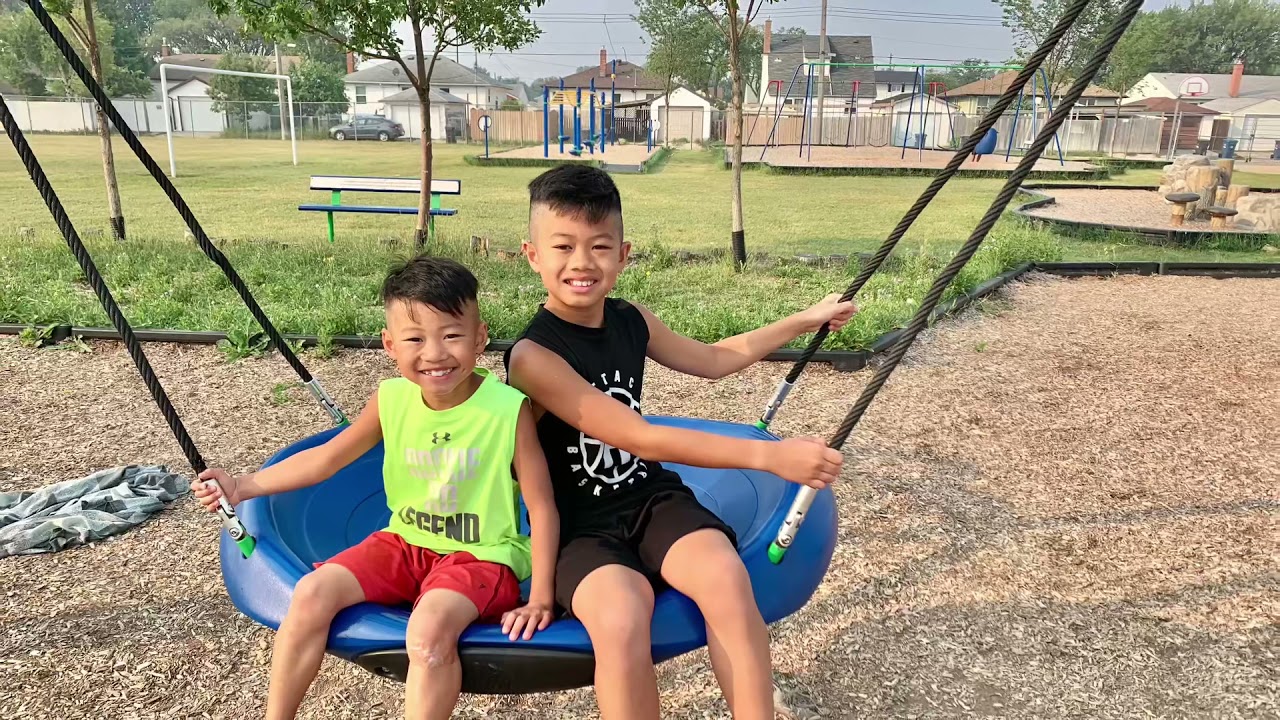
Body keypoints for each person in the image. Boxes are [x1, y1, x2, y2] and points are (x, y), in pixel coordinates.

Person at [503, 164, 856, 720]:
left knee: (725, 579)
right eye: (563, 246)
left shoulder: (630, 319)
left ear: (624, 254)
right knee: (622, 617)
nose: (581, 263)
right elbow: (639, 436)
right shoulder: (533, 356)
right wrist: (771, 456)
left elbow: (714, 359)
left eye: (600, 246)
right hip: (576, 526)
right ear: (532, 255)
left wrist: (804, 319)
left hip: (650, 499)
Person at [192, 256, 559, 720]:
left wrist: (541, 594)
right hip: (404, 543)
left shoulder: (508, 410)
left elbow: (542, 507)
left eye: (451, 335)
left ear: (480, 337)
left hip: (484, 556)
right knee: (309, 594)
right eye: (414, 339)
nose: (434, 354)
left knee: (426, 630)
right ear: (390, 344)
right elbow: (327, 459)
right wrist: (243, 485)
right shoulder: (391, 399)